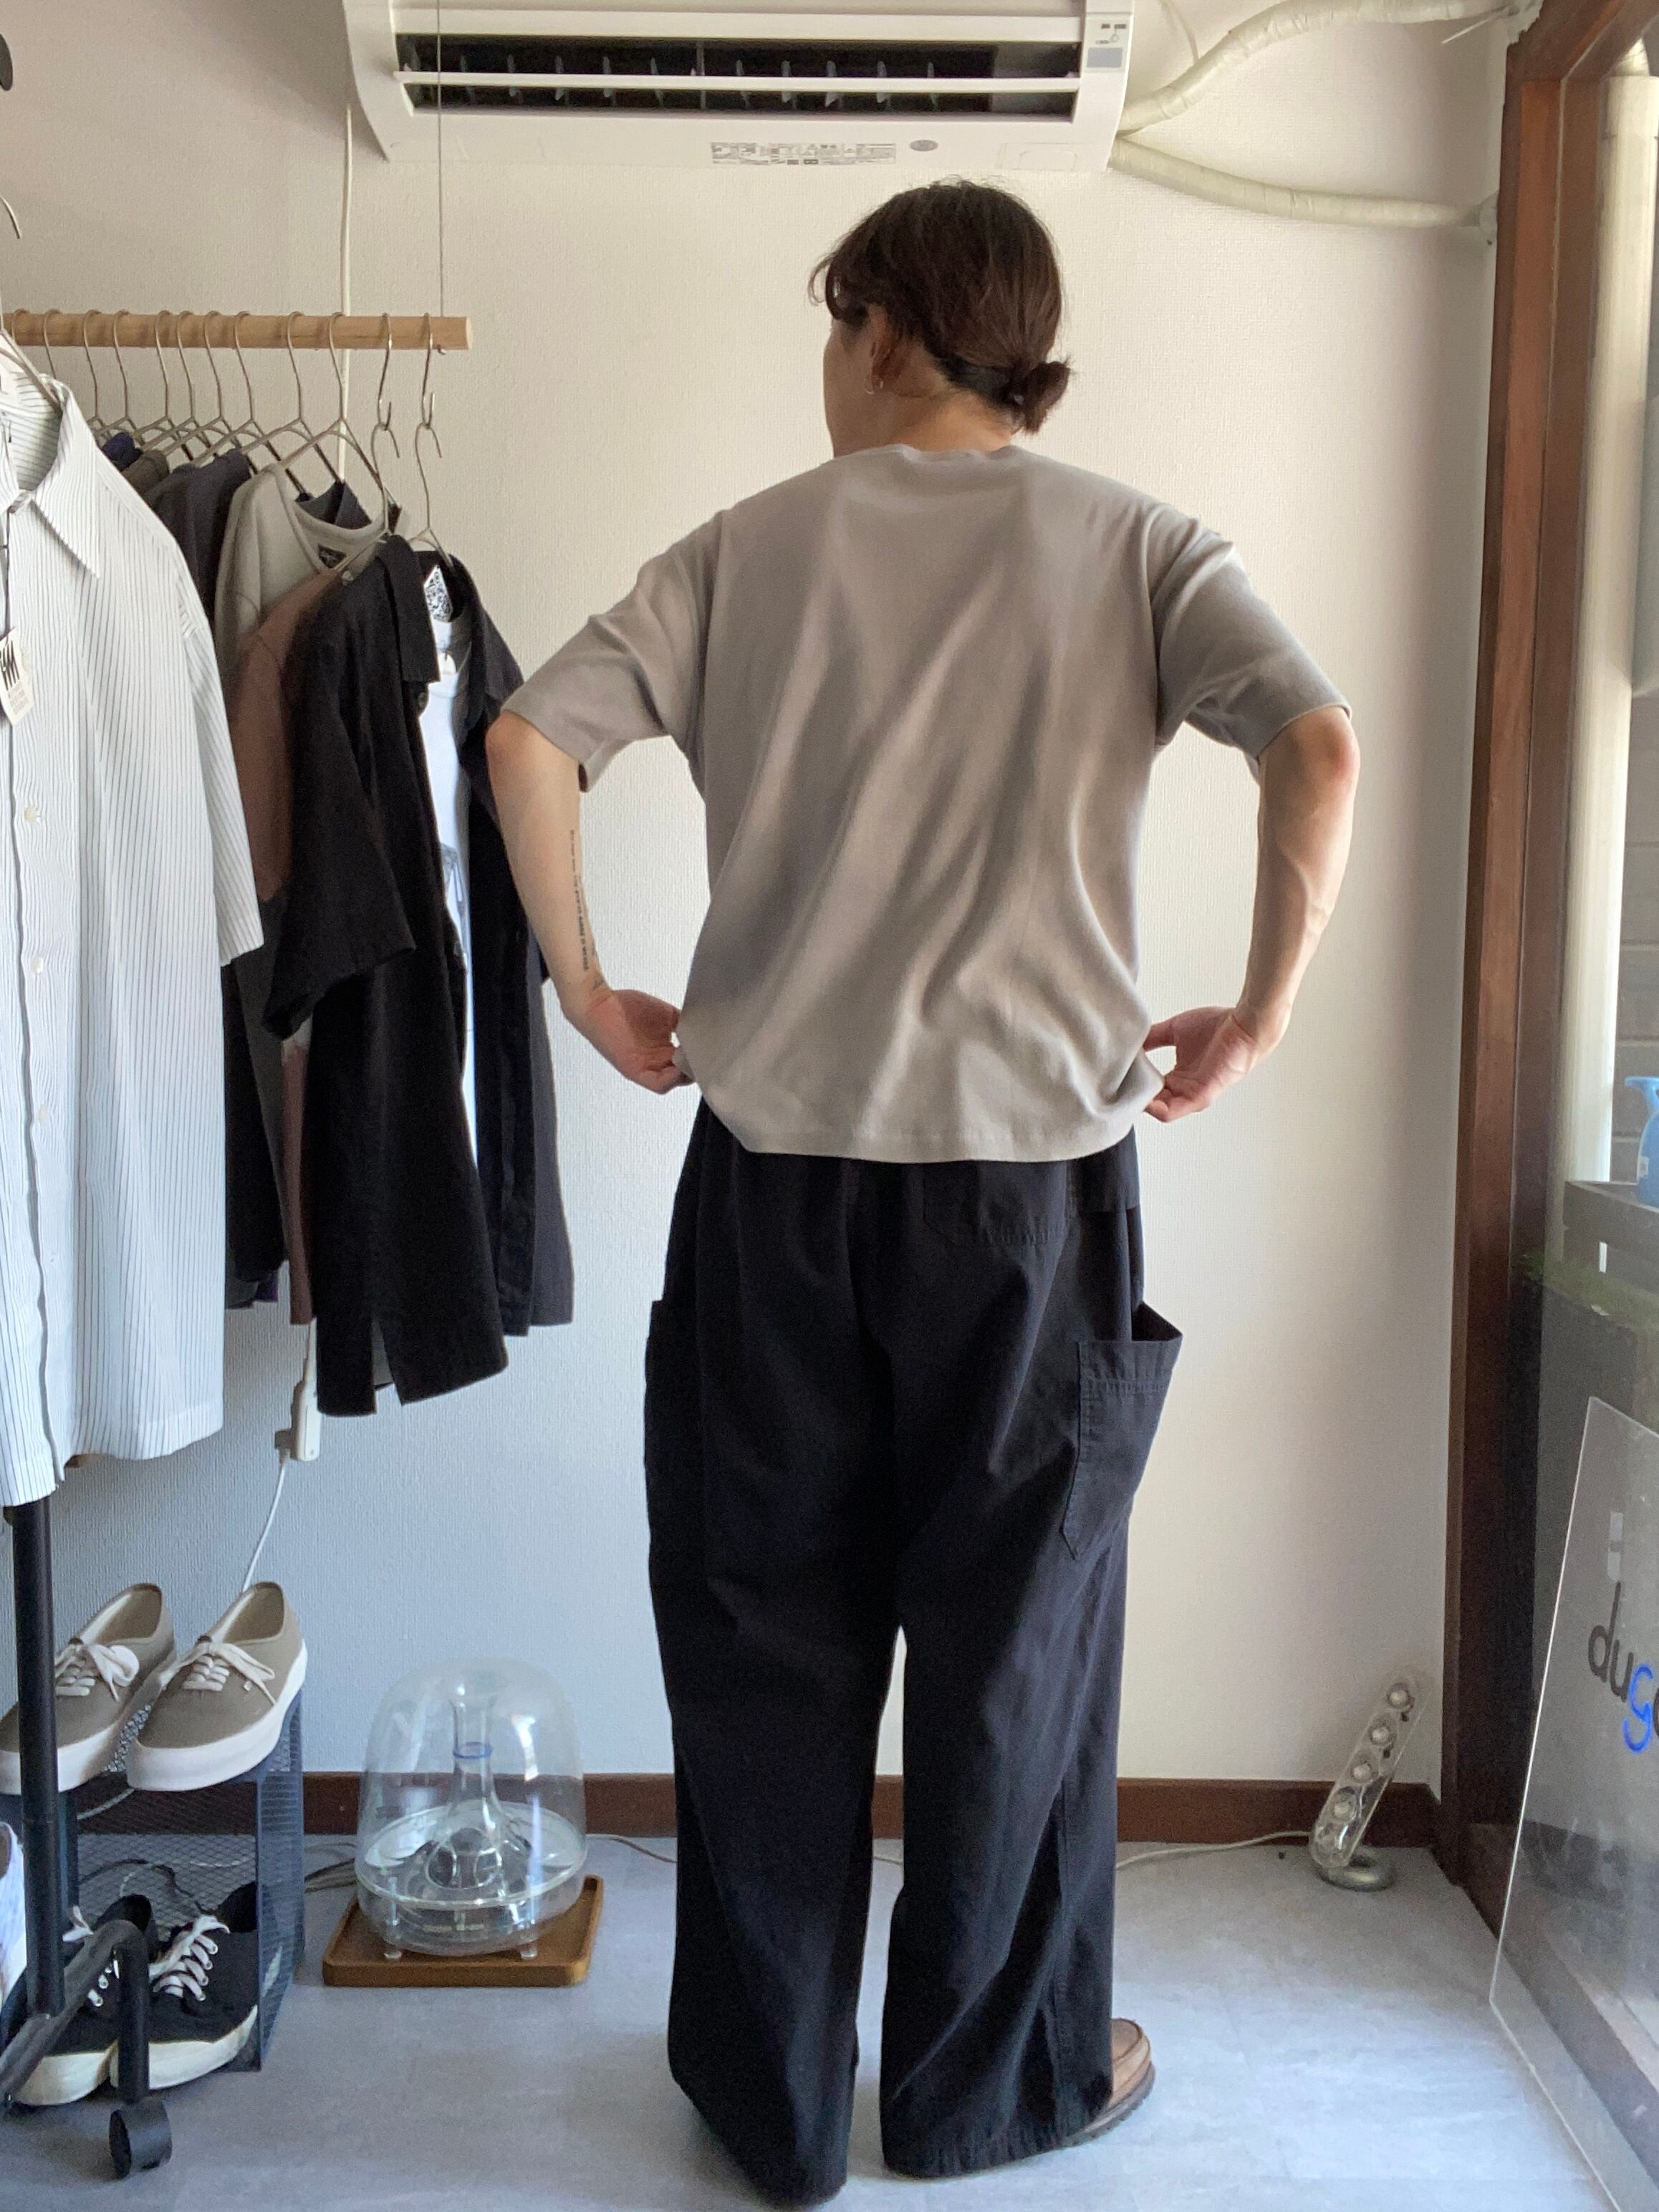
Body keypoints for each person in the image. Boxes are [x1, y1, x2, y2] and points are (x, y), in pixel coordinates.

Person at [488, 180, 1359, 2206]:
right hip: (1029, 1208)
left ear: (885, 331)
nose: (829, 369)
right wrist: (1261, 1012)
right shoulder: (1142, 545)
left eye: (835, 330)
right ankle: (993, 2091)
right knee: (1016, 1654)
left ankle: (775, 2109)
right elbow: (1316, 746)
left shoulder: (745, 549)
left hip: (774, 1197)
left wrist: (588, 988)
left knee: (759, 1636)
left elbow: (530, 743)